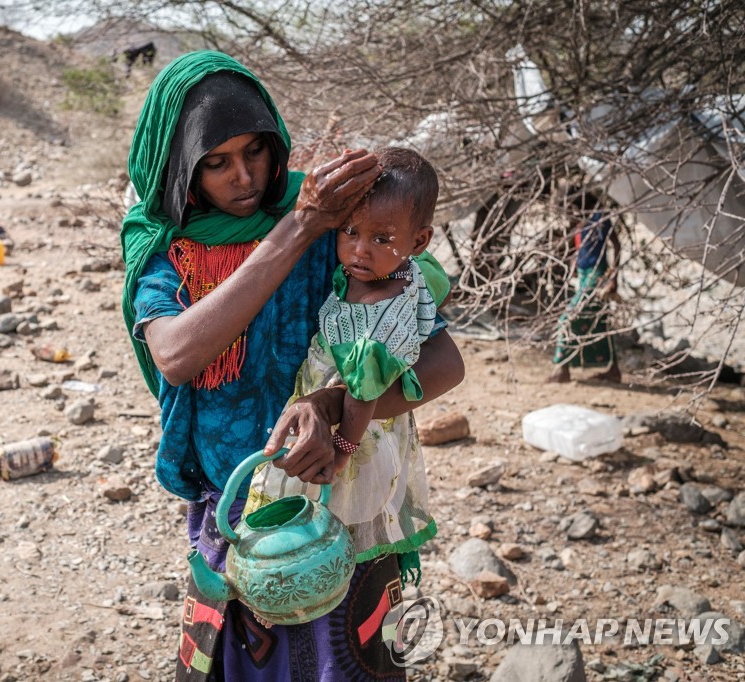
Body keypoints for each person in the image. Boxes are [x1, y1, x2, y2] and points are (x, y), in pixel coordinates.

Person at [121, 50, 464, 681]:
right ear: (179, 168)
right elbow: (174, 355)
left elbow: (440, 359)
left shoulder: (344, 227)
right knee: (242, 653)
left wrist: (341, 405)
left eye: (255, 151)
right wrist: (297, 229)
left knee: (348, 657)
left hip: (341, 493)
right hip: (235, 497)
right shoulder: (170, 248)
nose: (245, 177)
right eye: (216, 163)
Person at [246, 147, 446, 588]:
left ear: (419, 241)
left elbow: (363, 392)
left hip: (359, 433)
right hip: (361, 422)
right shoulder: (408, 272)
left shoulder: (378, 312)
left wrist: (341, 451)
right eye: (350, 231)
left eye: (380, 239)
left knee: (330, 518)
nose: (358, 250)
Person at [547, 203, 622, 384]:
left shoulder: (598, 217)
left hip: (597, 275)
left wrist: (613, 277)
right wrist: (574, 264)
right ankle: (613, 370)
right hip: (583, 275)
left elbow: (616, 244)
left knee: (567, 319)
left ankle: (562, 368)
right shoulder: (578, 222)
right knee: (599, 322)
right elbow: (581, 248)